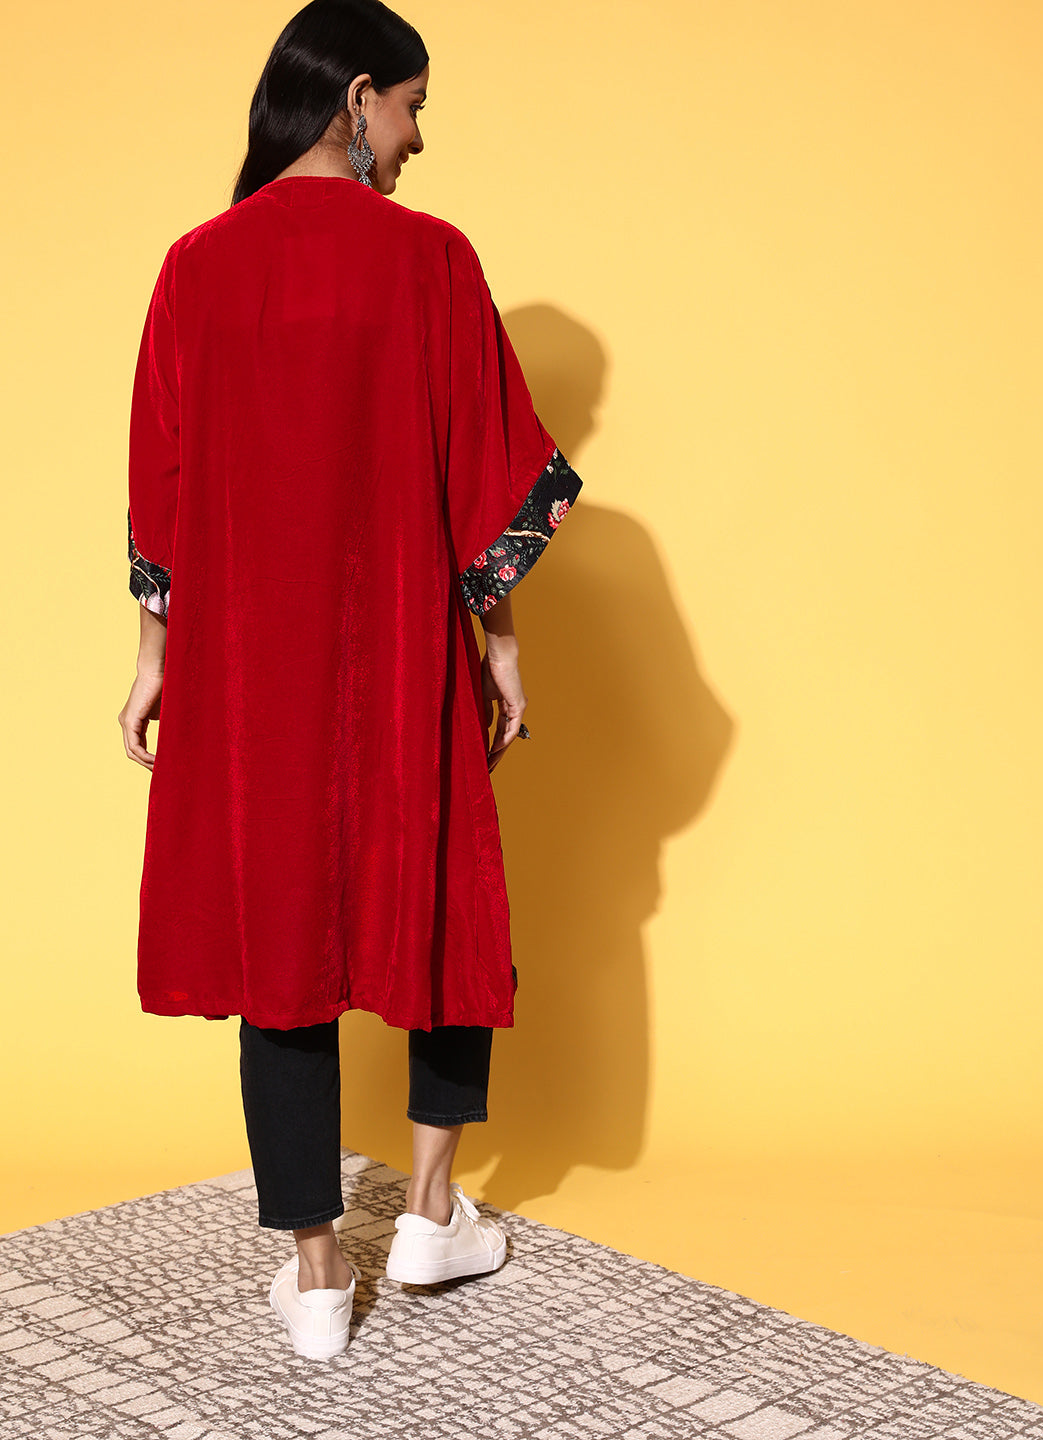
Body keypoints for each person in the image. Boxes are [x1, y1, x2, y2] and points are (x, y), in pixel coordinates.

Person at [117, 0, 583, 1361]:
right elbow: (488, 470)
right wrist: (501, 644)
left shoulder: (198, 267)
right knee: (436, 893)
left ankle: (319, 1278)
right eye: (413, 107)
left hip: (249, 668)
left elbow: (161, 484)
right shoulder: (431, 261)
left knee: (281, 932)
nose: (418, 139)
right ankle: (430, 1213)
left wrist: (152, 661)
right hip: (397, 651)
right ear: (357, 95)